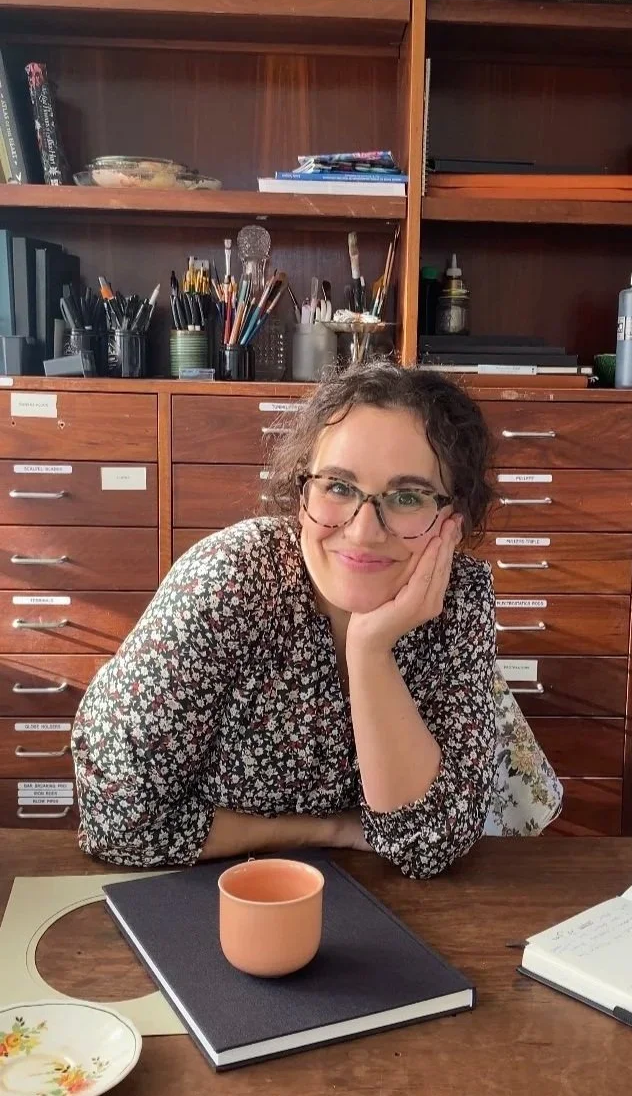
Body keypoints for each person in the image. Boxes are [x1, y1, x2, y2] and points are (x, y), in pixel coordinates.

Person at [73, 362, 498, 879]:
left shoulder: (462, 596)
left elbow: (428, 845)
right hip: (213, 901)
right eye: (338, 487)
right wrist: (329, 830)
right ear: (301, 496)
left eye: (407, 497)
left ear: (454, 518)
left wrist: (370, 650)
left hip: (381, 916)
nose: (363, 532)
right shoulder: (231, 580)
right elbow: (116, 823)